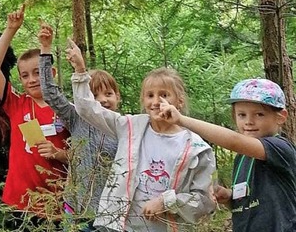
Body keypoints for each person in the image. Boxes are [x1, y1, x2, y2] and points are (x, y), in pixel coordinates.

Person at [70, 42, 216, 232]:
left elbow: (205, 201)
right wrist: (81, 72)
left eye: (164, 95)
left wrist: (167, 202)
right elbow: (88, 110)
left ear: (179, 101)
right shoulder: (131, 127)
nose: (156, 102)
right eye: (150, 95)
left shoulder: (196, 147)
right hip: (119, 226)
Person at [160, 77, 296, 232]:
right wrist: (228, 198)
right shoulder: (242, 157)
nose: (249, 121)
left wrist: (182, 120)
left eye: (259, 114)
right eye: (242, 115)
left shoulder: (280, 148)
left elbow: (234, 141)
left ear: (281, 117)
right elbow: (248, 203)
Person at [0, 4, 70, 227]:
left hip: (55, 204)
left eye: (37, 73)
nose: (31, 79)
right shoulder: (17, 104)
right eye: (24, 75)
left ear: (50, 73)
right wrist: (10, 30)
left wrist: (60, 154)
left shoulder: (67, 109)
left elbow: (82, 156)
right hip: (19, 203)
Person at [38, 25, 119, 231]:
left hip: (110, 214)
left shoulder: (124, 127)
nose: (102, 100)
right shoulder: (77, 117)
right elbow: (49, 93)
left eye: (108, 94)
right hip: (76, 210)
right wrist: (46, 49)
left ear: (117, 97)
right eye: (95, 95)